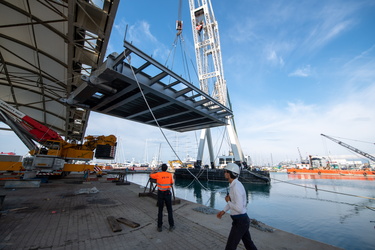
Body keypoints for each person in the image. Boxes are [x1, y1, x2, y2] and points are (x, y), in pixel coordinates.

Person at [216, 163, 257, 250]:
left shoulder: (236, 187)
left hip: (240, 221)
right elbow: (232, 202)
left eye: (225, 171)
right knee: (249, 244)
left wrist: (228, 201)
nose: (224, 173)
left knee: (230, 247)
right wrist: (223, 211)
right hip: (241, 220)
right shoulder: (234, 185)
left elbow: (239, 208)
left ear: (229, 173)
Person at [150, 163, 175, 232]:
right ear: (166, 168)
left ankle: (159, 227)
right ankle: (171, 225)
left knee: (160, 210)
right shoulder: (169, 175)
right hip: (167, 193)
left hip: (160, 193)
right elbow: (172, 183)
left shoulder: (158, 174)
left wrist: (155, 170)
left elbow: (151, 175)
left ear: (161, 168)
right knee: (169, 210)